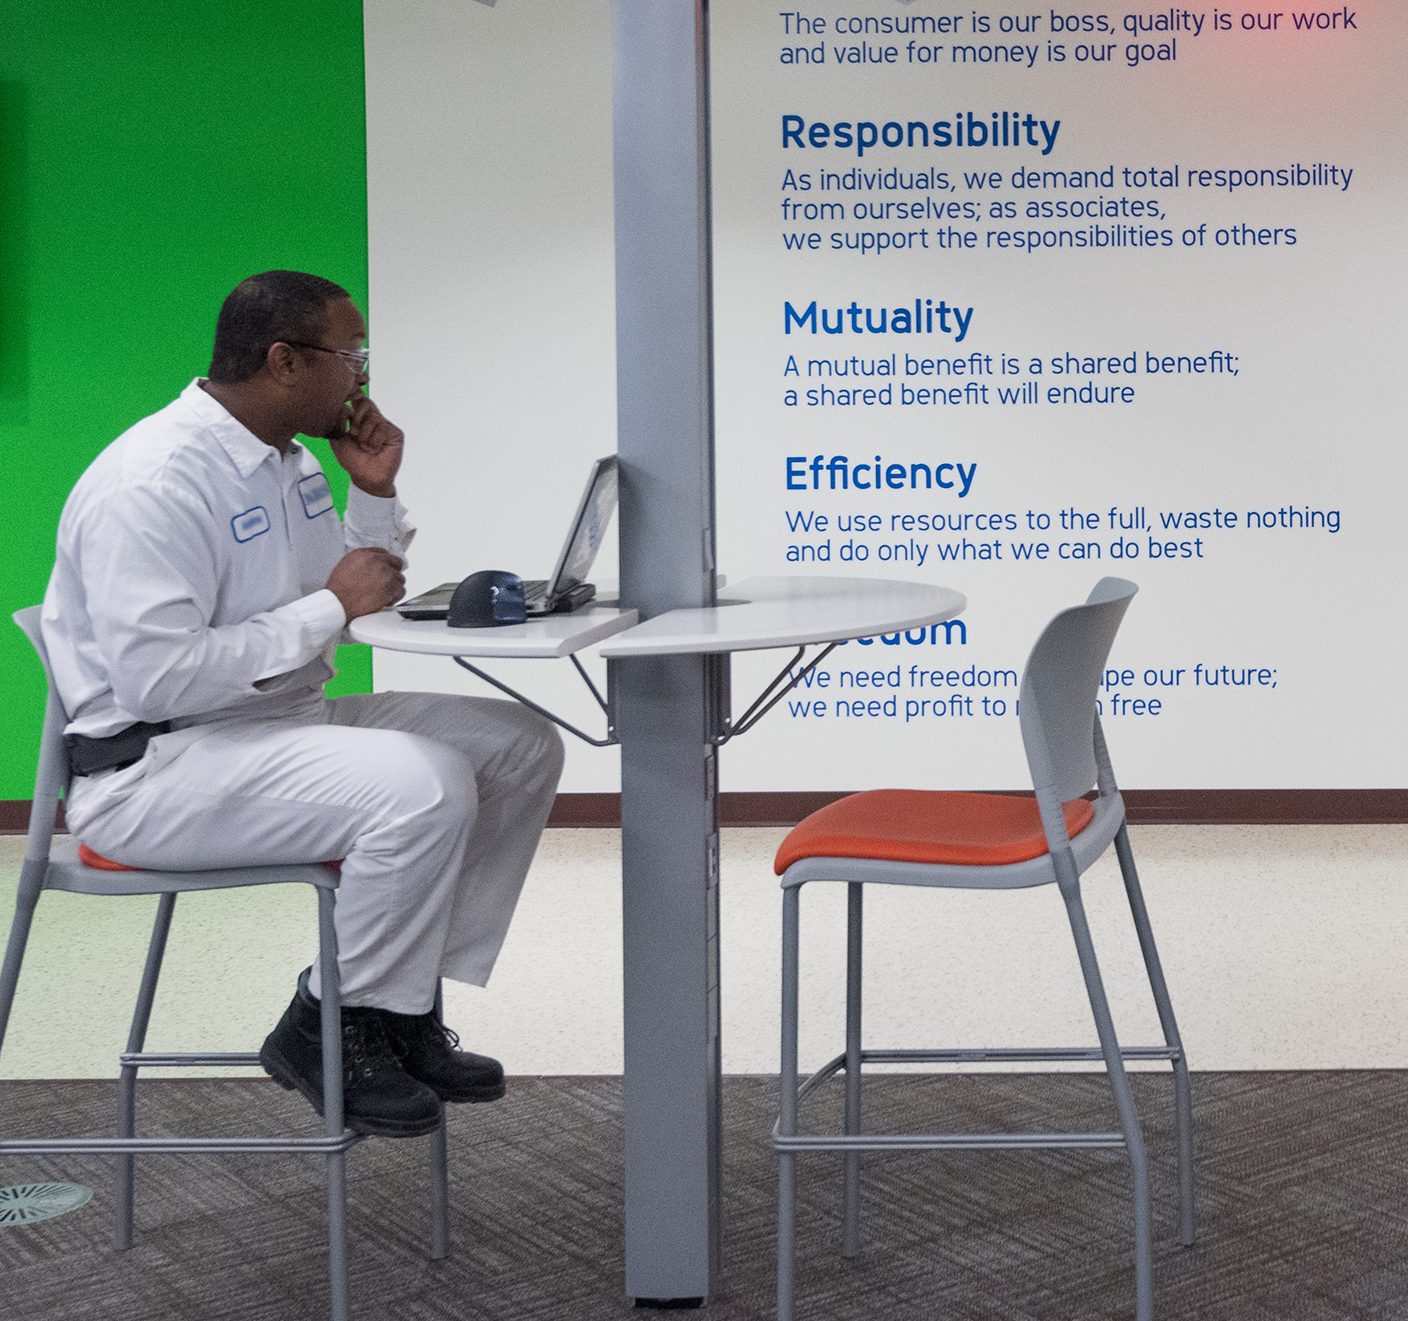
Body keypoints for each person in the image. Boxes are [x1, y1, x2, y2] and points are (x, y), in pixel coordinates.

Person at [41, 271, 565, 1138]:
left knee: (516, 744)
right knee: (424, 784)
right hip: (153, 768)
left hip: (268, 727)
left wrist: (374, 492)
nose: (361, 376)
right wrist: (327, 608)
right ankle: (330, 1021)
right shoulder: (156, 481)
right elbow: (157, 680)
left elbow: (360, 595)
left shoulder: (289, 464)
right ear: (285, 360)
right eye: (350, 354)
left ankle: (394, 1011)